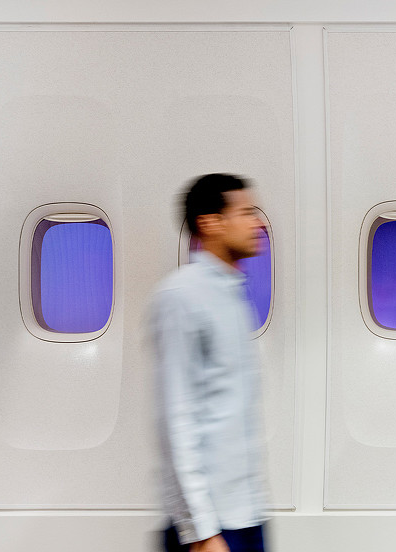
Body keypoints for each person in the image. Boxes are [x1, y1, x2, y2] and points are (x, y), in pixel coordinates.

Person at [152, 174, 269, 552]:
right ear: (211, 223)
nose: (259, 223)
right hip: (211, 526)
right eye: (247, 213)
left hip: (246, 513)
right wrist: (201, 530)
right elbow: (177, 418)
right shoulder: (181, 296)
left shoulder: (232, 294)